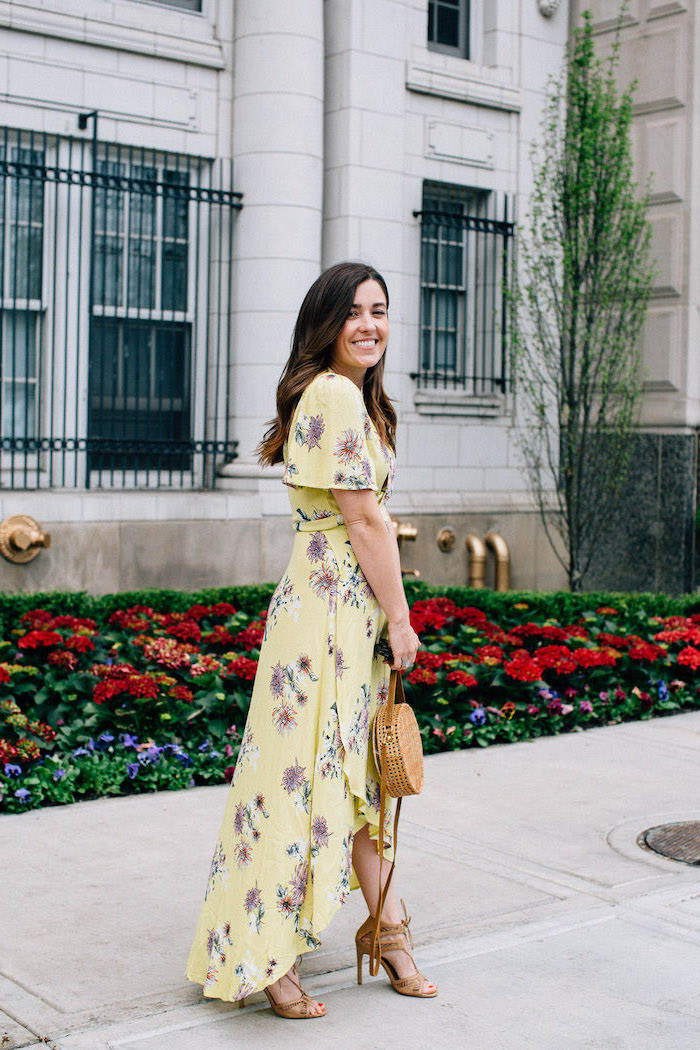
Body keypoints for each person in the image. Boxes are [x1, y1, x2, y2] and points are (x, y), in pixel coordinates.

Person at [186, 261, 437, 1019]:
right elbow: (363, 521)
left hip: (335, 608)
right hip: (329, 613)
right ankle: (265, 953)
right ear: (325, 325)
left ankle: (387, 930)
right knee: (301, 783)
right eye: (353, 312)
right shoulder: (331, 393)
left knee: (355, 778)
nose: (369, 324)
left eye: (380, 311)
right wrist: (401, 618)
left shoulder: (353, 398)